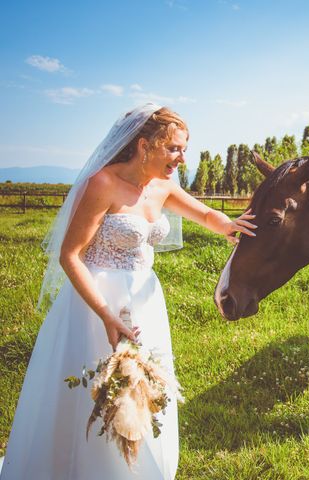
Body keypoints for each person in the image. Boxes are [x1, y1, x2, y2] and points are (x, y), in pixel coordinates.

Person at [0, 104, 256, 479]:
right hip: (97, 303)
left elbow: (203, 215)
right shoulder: (102, 184)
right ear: (144, 145)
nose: (182, 158)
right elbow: (70, 256)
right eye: (174, 148)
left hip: (146, 302)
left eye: (184, 149)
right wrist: (104, 312)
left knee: (144, 388)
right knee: (96, 392)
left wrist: (229, 224)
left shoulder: (163, 186)